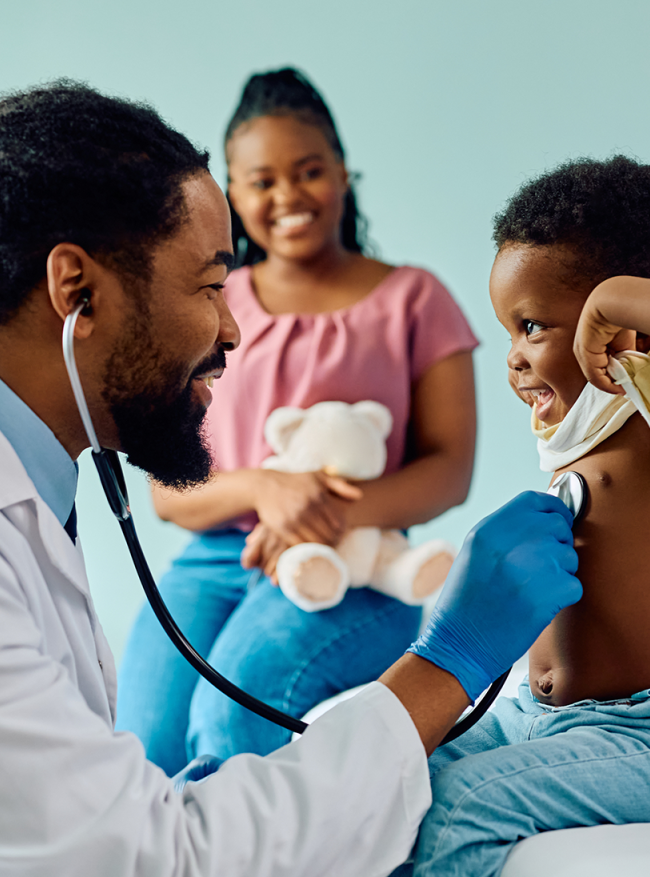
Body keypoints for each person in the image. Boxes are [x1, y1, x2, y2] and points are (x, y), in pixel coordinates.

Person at [0, 78, 581, 876]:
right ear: (76, 291)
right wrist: (449, 664)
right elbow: (148, 861)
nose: (233, 332)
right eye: (209, 286)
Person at [396, 156, 650, 877]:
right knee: (397, 770)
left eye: (532, 325)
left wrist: (616, 300)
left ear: (627, 331)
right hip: (534, 715)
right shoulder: (580, 421)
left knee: (459, 800)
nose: (513, 357)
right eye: (509, 330)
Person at [117, 68, 479, 773]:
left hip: (356, 567)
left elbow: (449, 471)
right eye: (261, 181)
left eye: (309, 171)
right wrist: (267, 490)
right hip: (219, 560)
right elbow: (167, 492)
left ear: (343, 171)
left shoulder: (416, 300)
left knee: (230, 718)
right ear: (230, 190)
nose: (287, 196)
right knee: (142, 744)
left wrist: (321, 514)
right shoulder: (212, 302)